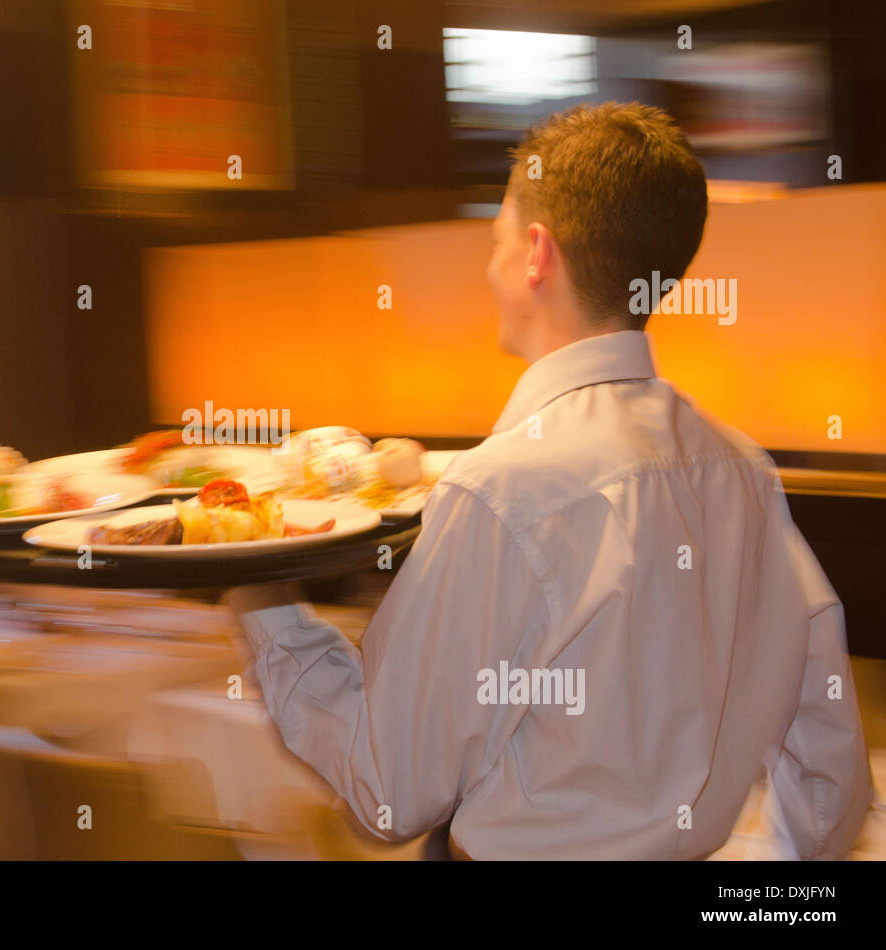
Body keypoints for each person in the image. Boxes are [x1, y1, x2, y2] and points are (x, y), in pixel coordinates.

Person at [223, 102, 873, 860]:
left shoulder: (499, 491)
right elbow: (829, 768)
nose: (488, 266)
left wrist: (256, 584)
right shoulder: (741, 469)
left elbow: (389, 792)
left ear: (536, 254)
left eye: (495, 241)